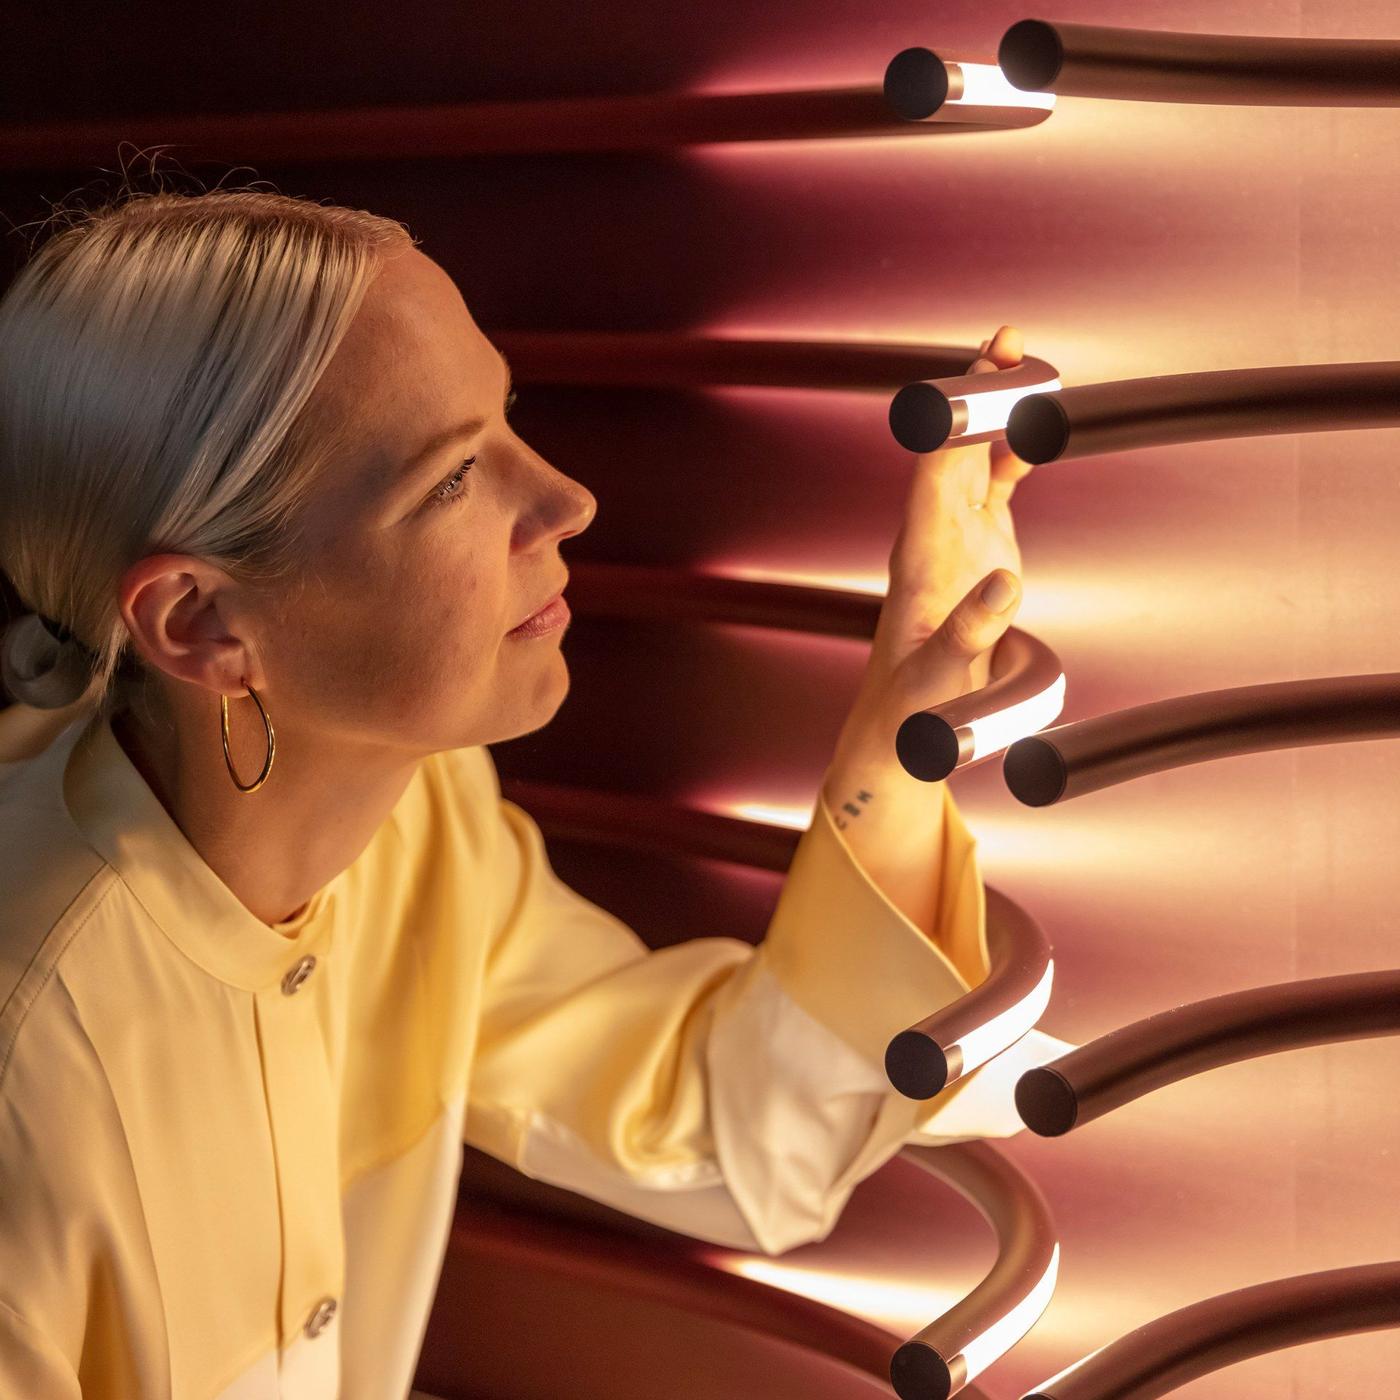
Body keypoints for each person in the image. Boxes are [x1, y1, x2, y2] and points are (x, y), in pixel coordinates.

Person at [0, 182, 1069, 1398]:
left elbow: (731, 1135)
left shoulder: (419, 819)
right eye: (451, 479)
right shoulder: (25, 1055)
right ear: (200, 621)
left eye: (507, 415)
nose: (568, 500)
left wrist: (904, 698)